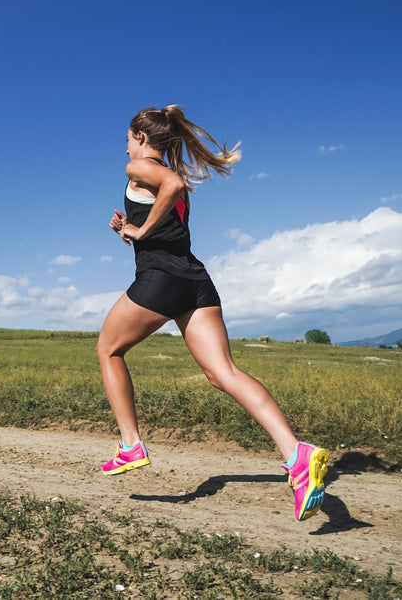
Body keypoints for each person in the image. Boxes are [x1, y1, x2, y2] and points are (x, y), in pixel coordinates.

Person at [96, 105, 329, 522]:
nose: (125, 144)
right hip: (194, 279)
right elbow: (169, 215)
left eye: (129, 136)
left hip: (162, 279)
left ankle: (130, 444)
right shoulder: (150, 175)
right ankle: (297, 454)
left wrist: (141, 230)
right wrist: (130, 227)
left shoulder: (141, 167)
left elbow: (173, 182)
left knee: (108, 350)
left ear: (141, 137)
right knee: (223, 373)